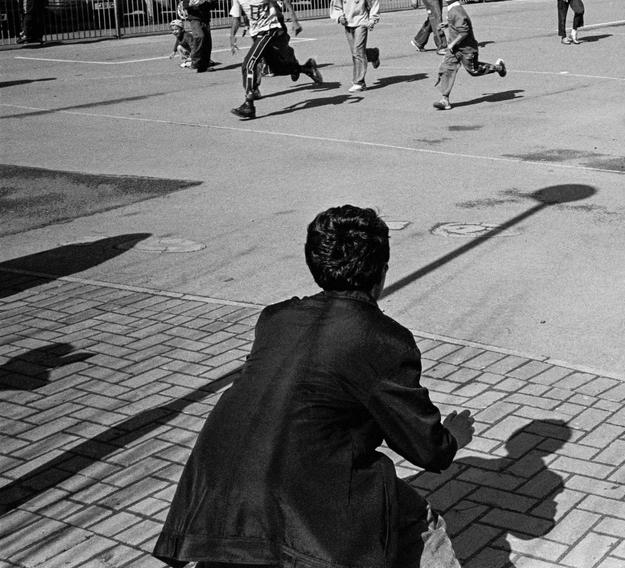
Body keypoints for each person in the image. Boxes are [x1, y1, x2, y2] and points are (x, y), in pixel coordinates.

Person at [152, 205, 476, 568]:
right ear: (381, 272)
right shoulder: (383, 340)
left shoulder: (275, 319)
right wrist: (452, 437)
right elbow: (426, 449)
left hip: (214, 501)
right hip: (302, 511)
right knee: (419, 524)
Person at [228, 0, 322, 120]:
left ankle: (249, 104)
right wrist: (232, 37)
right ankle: (306, 68)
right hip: (257, 33)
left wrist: (295, 21)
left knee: (249, 64)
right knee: (277, 69)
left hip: (269, 31)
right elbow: (236, 17)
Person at [433, 0, 506, 110]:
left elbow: (464, 32)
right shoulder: (452, 9)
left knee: (474, 71)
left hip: (467, 49)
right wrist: (447, 24)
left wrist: (452, 44)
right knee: (446, 69)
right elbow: (457, 24)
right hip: (455, 50)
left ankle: (498, 68)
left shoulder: (457, 11)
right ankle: (445, 100)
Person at [329, 0, 381, 92]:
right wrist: (339, 16)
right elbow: (336, 6)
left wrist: (372, 20)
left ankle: (359, 82)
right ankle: (373, 54)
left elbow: (374, 4)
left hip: (361, 24)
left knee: (357, 51)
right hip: (348, 25)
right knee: (356, 52)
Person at [182, 0, 215, 72]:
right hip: (195, 19)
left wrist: (210, 2)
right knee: (199, 36)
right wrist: (190, 5)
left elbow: (213, 6)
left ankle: (204, 65)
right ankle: (195, 61)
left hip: (205, 20)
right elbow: (185, 6)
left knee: (207, 42)